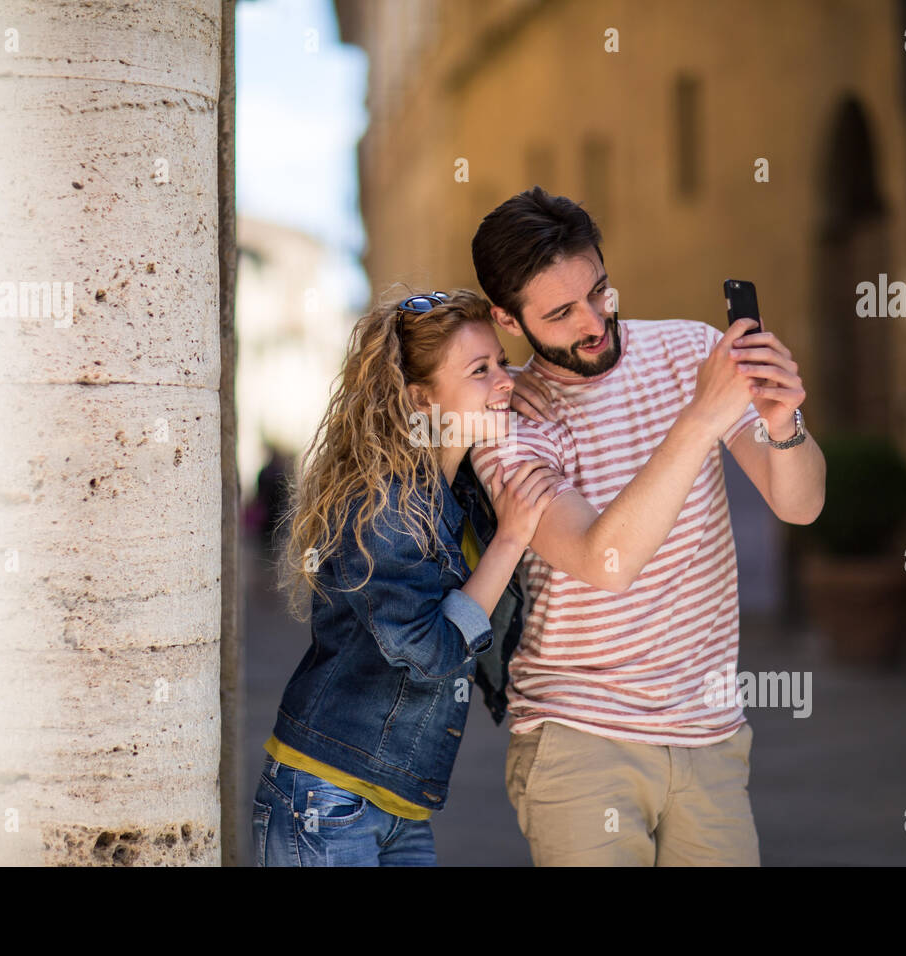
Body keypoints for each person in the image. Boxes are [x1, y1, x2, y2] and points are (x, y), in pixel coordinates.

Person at [467, 186, 827, 866]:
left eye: (599, 292)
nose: (594, 321)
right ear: (508, 320)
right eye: (562, 312)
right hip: (580, 740)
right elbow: (607, 563)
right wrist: (699, 420)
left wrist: (785, 423)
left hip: (712, 734)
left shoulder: (691, 348)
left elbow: (801, 504)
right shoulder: (511, 421)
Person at [252, 287, 566, 866]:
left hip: (400, 801)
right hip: (328, 800)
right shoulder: (386, 508)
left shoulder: (459, 484)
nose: (505, 379)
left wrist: (514, 383)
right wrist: (511, 538)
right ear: (422, 402)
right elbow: (429, 652)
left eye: (501, 361)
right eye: (481, 370)